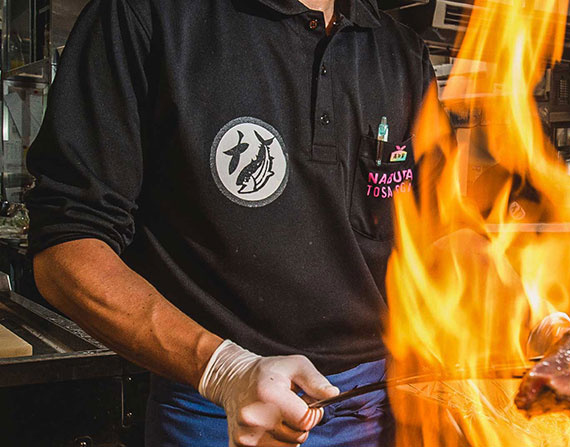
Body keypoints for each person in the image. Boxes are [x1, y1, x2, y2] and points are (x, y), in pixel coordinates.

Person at [24, 0, 435, 445]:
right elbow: (65, 251)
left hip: (376, 406)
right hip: (215, 410)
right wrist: (223, 370)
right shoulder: (145, 15)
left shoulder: (399, 51)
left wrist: (511, 290)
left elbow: (442, 233)